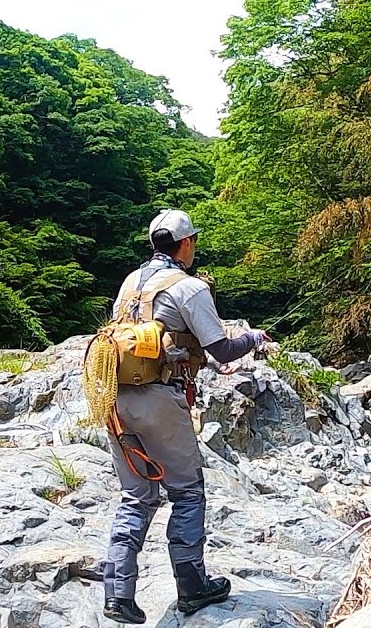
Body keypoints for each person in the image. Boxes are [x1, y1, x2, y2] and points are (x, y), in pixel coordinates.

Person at [102, 208, 268, 625]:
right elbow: (222, 347)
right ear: (187, 243)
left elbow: (155, 342)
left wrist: (204, 364)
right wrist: (253, 338)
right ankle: (192, 587)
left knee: (136, 497)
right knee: (188, 492)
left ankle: (117, 594)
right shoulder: (190, 287)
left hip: (116, 399)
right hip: (159, 402)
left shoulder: (130, 282)